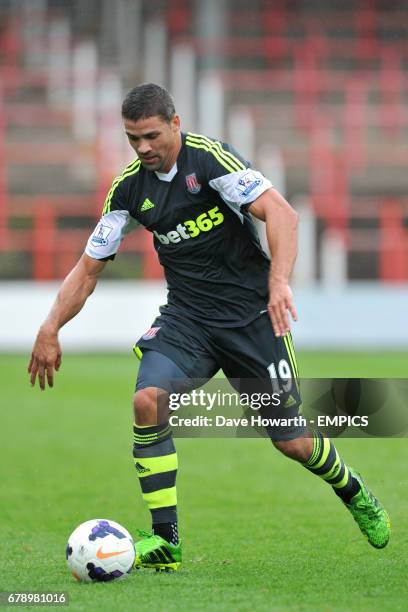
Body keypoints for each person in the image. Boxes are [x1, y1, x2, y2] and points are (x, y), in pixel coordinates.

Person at [28, 83, 390, 572]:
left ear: (175, 124)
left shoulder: (211, 161)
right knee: (146, 401)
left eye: (151, 136)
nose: (144, 148)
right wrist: (50, 326)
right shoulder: (129, 189)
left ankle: (352, 488)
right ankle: (166, 541)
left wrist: (279, 282)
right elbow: (88, 268)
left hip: (251, 318)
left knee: (292, 442)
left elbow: (281, 212)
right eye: (133, 139)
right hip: (188, 321)